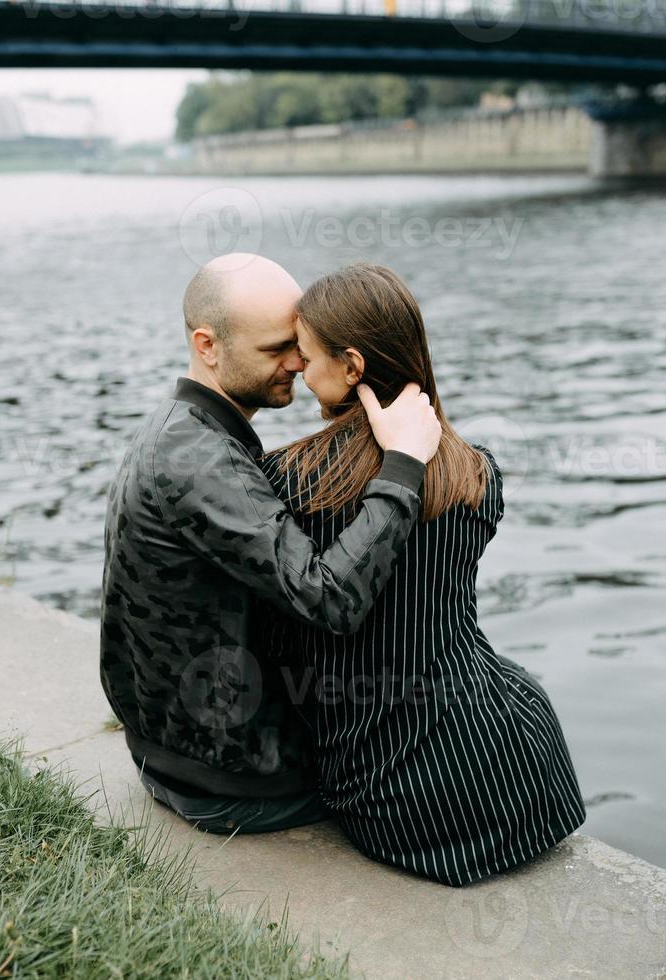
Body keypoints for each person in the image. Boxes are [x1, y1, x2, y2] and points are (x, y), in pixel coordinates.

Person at [258, 262, 587, 886]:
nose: (298, 368)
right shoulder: (478, 473)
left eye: (305, 354)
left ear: (352, 366)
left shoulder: (290, 481)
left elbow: (287, 633)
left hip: (396, 796)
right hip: (523, 770)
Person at [99, 252, 443, 835]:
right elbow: (330, 599)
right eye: (274, 350)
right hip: (235, 782)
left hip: (172, 749)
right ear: (207, 346)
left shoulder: (180, 427)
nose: (298, 362)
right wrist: (404, 467)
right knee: (443, 761)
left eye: (299, 344)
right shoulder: (198, 461)